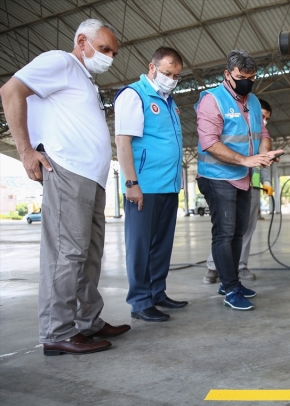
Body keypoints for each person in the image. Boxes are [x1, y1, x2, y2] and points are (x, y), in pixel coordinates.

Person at [0, 18, 130, 356]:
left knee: (88, 256)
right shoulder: (60, 61)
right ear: (82, 41)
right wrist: (26, 151)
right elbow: (11, 91)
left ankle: (89, 321)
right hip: (68, 173)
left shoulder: (82, 78)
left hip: (92, 179)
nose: (109, 56)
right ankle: (57, 331)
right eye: (104, 49)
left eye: (113, 52)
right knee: (66, 254)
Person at [195, 50, 283, 311]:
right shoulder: (212, 100)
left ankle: (229, 281)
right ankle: (231, 289)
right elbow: (209, 142)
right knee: (224, 233)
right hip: (217, 176)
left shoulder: (253, 101)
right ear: (227, 74)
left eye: (251, 77)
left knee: (237, 233)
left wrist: (264, 154)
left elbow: (263, 132)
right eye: (241, 77)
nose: (246, 82)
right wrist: (246, 161)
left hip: (243, 176)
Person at [114, 47, 188, 322]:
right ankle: (140, 301)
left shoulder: (169, 101)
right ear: (152, 67)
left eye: (176, 75)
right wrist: (131, 183)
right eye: (167, 73)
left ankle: (157, 292)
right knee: (141, 246)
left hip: (167, 186)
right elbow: (123, 142)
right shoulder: (135, 95)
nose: (171, 78)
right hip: (144, 187)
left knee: (161, 245)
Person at [203, 98, 274, 284]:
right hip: (229, 180)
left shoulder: (260, 135)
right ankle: (213, 267)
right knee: (225, 230)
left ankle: (240, 266)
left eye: (266, 118)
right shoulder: (238, 130)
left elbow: (264, 161)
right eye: (262, 116)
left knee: (244, 231)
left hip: (253, 186)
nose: (264, 121)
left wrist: (267, 182)